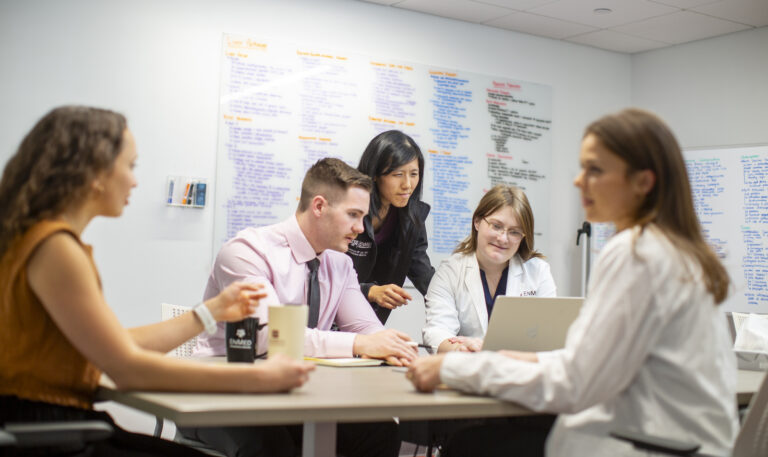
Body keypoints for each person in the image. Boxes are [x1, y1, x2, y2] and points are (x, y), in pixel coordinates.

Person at [408, 108, 738, 457]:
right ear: (478, 223)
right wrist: (501, 358)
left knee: (469, 447)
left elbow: (574, 380)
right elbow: (587, 362)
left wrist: (458, 369)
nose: (579, 181)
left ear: (643, 182)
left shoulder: (636, 253)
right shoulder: (675, 250)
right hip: (683, 440)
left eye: (594, 169)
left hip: (649, 444)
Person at [0, 106, 314, 456]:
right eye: (130, 165)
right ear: (95, 173)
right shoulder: (56, 248)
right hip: (53, 434)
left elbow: (117, 344)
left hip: (50, 426)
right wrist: (259, 379)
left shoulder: (33, 240)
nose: (135, 180)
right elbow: (127, 369)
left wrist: (211, 312)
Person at [189, 157, 415, 457]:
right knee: (278, 448)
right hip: (225, 395)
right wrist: (362, 343)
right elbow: (267, 338)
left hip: (298, 394)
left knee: (380, 431)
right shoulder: (247, 252)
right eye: (353, 215)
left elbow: (366, 329)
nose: (361, 228)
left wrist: (397, 348)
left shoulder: (340, 263)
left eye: (363, 217)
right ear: (319, 207)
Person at [422, 185, 556, 353]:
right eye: (496, 226)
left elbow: (548, 335)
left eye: (514, 232)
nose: (503, 238)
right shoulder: (450, 272)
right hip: (467, 369)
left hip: (519, 371)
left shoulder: (538, 272)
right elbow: (437, 331)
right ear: (477, 221)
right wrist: (461, 349)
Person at [348, 130, 435, 323]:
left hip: (368, 322)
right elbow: (326, 273)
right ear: (375, 174)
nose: (407, 185)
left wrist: (453, 299)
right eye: (398, 174)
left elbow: (424, 275)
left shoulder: (412, 219)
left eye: (414, 174)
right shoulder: (349, 209)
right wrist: (368, 290)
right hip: (329, 317)